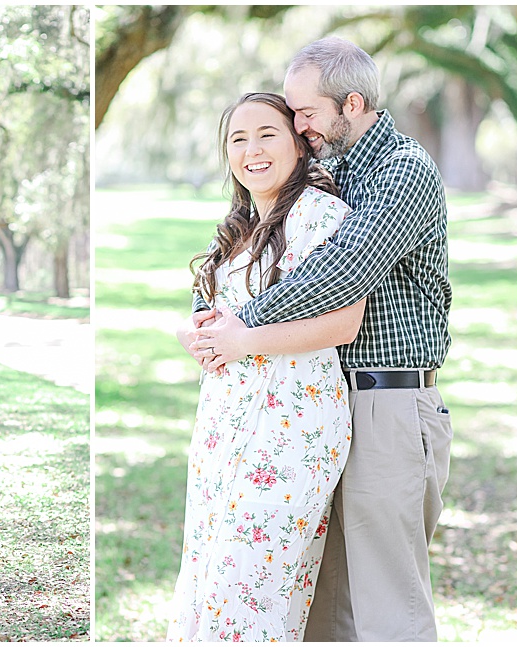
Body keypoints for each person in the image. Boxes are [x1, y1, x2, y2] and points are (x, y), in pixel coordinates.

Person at [189, 37, 453, 642]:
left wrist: (243, 325)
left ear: (351, 104)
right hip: (320, 409)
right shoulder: (332, 177)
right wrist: (211, 318)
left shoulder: (402, 170)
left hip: (387, 401)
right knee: (322, 606)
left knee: (389, 606)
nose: (297, 126)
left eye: (305, 113)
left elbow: (343, 271)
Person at [166, 92, 366, 642]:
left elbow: (343, 324)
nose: (252, 149)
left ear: (299, 147)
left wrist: (245, 341)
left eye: (267, 134)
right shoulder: (236, 230)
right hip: (223, 426)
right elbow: (210, 316)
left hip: (292, 428)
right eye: (238, 138)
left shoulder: (324, 217)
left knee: (247, 588)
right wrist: (192, 333)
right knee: (209, 583)